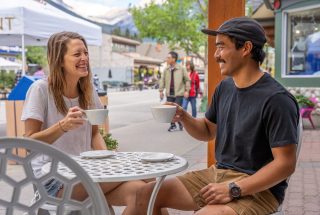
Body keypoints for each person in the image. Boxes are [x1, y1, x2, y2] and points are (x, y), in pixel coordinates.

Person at [134, 17, 300, 215]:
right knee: (146, 194)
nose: (215, 55)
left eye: (221, 47)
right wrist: (184, 116)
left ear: (246, 48)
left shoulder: (277, 99)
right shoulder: (225, 87)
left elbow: (285, 164)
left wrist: (234, 189)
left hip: (259, 189)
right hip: (217, 174)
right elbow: (206, 131)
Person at [21, 31, 145, 215]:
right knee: (144, 174)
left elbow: (94, 133)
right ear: (59, 60)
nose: (84, 58)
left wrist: (108, 160)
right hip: (53, 180)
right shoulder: (40, 90)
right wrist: (62, 126)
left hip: (85, 172)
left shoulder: (87, 90)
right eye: (77, 54)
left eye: (86, 53)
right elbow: (29, 143)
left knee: (144, 192)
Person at [159, 51, 190, 131]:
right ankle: (173, 125)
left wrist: (187, 90)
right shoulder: (166, 69)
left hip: (179, 93)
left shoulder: (181, 68)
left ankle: (180, 123)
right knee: (169, 111)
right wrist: (161, 91)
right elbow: (162, 80)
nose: (167, 59)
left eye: (168, 58)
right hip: (169, 93)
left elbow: (187, 80)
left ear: (174, 59)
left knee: (177, 110)